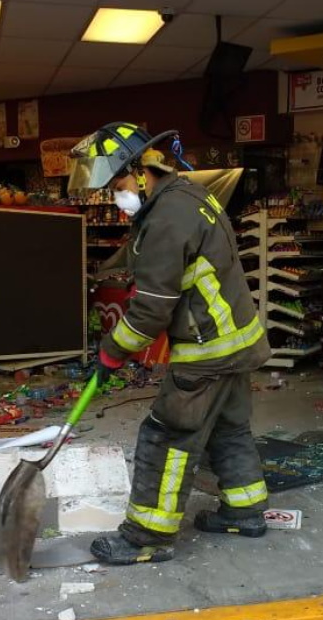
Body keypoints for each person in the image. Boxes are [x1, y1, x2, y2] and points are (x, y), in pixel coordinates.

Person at [68, 123, 272, 566]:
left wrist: (110, 353)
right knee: (228, 428)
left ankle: (146, 537)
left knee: (167, 435)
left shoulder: (164, 220)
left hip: (207, 350)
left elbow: (149, 313)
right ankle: (245, 511)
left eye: (116, 184)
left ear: (142, 170)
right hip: (238, 342)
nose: (115, 197)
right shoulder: (190, 196)